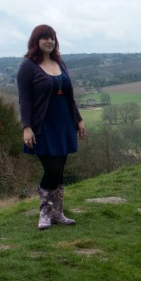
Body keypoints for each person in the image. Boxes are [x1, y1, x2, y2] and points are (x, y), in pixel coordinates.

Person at [17, 25, 86, 228]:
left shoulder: (59, 62)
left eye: (52, 38)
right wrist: (26, 127)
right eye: (45, 38)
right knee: (52, 168)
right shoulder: (28, 67)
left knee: (60, 170)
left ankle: (58, 213)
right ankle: (45, 213)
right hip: (42, 125)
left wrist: (78, 119)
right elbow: (24, 100)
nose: (49, 41)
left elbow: (69, 96)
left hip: (64, 123)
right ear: (36, 41)